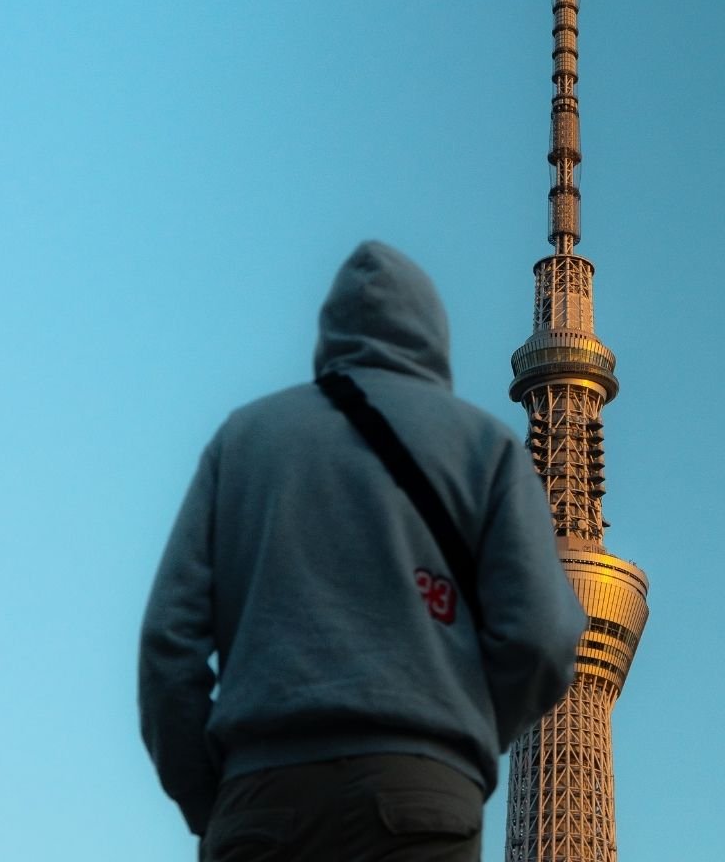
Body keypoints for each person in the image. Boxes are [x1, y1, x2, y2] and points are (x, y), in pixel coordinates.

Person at [139, 241, 585, 860]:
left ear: (328, 335)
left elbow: (168, 644)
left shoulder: (244, 439)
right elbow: (542, 637)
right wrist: (460, 739)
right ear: (433, 336)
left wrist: (206, 797)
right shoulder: (486, 447)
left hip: (263, 793)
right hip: (422, 795)